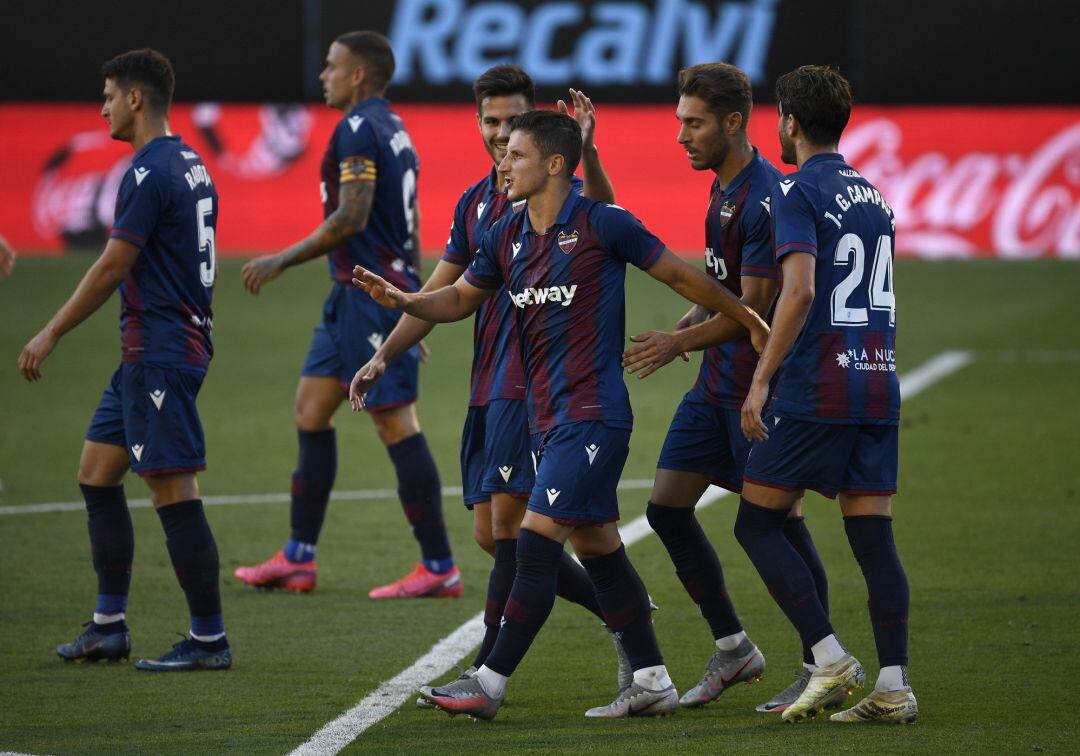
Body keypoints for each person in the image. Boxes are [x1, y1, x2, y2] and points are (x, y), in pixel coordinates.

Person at [354, 110, 769, 720]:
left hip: (594, 416)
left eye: (515, 155)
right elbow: (462, 297)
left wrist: (750, 320)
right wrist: (407, 300)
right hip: (543, 419)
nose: (503, 163)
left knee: (534, 539)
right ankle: (652, 678)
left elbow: (685, 277)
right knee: (598, 546)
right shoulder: (505, 234)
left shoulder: (604, 224)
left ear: (553, 163)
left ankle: (489, 682)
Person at [349, 65, 631, 699]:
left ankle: (487, 670)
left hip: (531, 385)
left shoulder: (557, 189)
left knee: (514, 533)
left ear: (537, 124)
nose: (501, 136)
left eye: (512, 123)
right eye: (491, 122)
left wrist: (587, 147)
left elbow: (613, 222)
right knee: (496, 534)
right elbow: (440, 294)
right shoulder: (478, 203)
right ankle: (626, 620)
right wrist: (385, 353)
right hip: (487, 382)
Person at [621, 62, 838, 714]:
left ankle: (817, 662)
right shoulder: (722, 189)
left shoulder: (766, 196)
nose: (682, 136)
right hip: (713, 390)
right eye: (679, 122)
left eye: (695, 123)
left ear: (733, 122)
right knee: (665, 509)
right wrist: (689, 322)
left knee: (779, 523)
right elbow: (723, 290)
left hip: (756, 396)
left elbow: (754, 311)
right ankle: (733, 647)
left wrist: (676, 342)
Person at [19, 48, 230, 671]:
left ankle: (209, 639)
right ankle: (109, 625)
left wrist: (50, 331)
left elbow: (115, 263)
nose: (102, 105)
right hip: (158, 347)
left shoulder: (145, 172)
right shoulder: (190, 161)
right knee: (96, 472)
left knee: (172, 489)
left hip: (160, 350)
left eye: (108, 94)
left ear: (135, 98)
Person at [236, 31, 459, 599]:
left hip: (370, 294)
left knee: (394, 422)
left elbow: (352, 216)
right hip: (357, 294)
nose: (323, 76)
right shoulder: (394, 127)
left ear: (359, 75)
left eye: (332, 67)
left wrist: (281, 258)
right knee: (311, 410)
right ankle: (298, 558)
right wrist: (416, 302)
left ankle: (439, 566)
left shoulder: (358, 127)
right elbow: (402, 222)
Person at [736, 65, 916, 724]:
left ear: (788, 119)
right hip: (878, 379)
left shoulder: (795, 190)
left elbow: (802, 289)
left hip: (820, 384)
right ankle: (894, 686)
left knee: (756, 521)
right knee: (873, 539)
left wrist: (761, 380)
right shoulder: (873, 194)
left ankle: (829, 656)